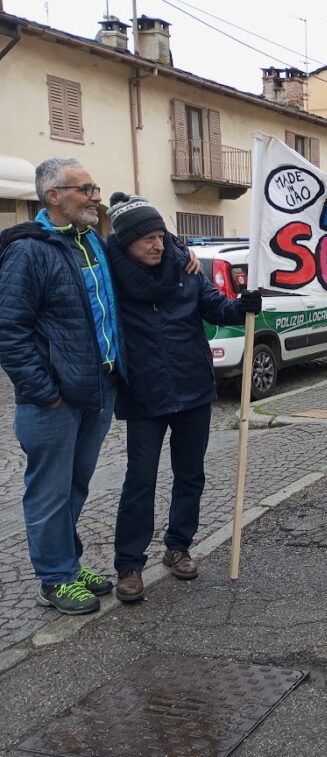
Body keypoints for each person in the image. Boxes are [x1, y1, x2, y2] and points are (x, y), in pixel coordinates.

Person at [102, 192, 261, 602]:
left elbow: (215, 308)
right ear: (126, 243)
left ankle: (178, 546)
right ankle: (129, 565)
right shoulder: (110, 276)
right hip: (143, 394)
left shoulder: (186, 270)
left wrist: (243, 305)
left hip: (192, 388)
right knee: (140, 480)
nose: (157, 244)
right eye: (147, 239)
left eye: (160, 235)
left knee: (190, 475)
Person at [0, 158, 124, 614]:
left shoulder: (91, 242)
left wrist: (181, 254)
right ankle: (54, 578)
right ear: (53, 196)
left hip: (97, 389)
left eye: (95, 187)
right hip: (53, 399)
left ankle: (67, 562)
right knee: (49, 490)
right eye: (85, 189)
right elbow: (9, 331)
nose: (95, 196)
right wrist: (42, 391)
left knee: (75, 486)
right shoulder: (29, 250)